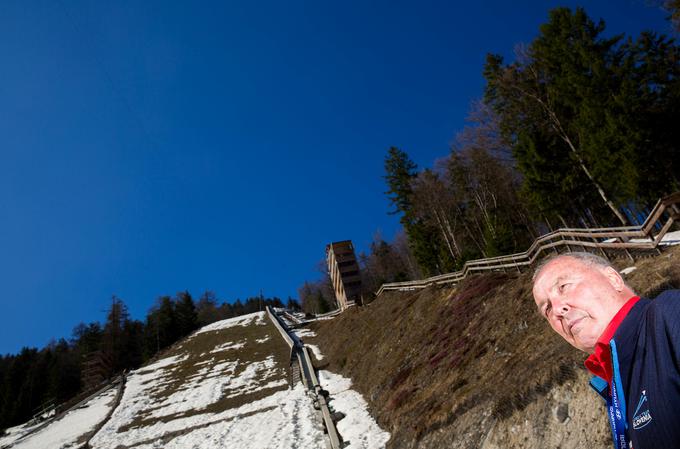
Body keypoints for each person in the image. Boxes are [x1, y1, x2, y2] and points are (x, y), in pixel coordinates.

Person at [532, 252, 680, 449]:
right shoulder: (614, 382)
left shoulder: (670, 313)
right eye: (547, 309)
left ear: (614, 279)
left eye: (564, 287)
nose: (557, 310)